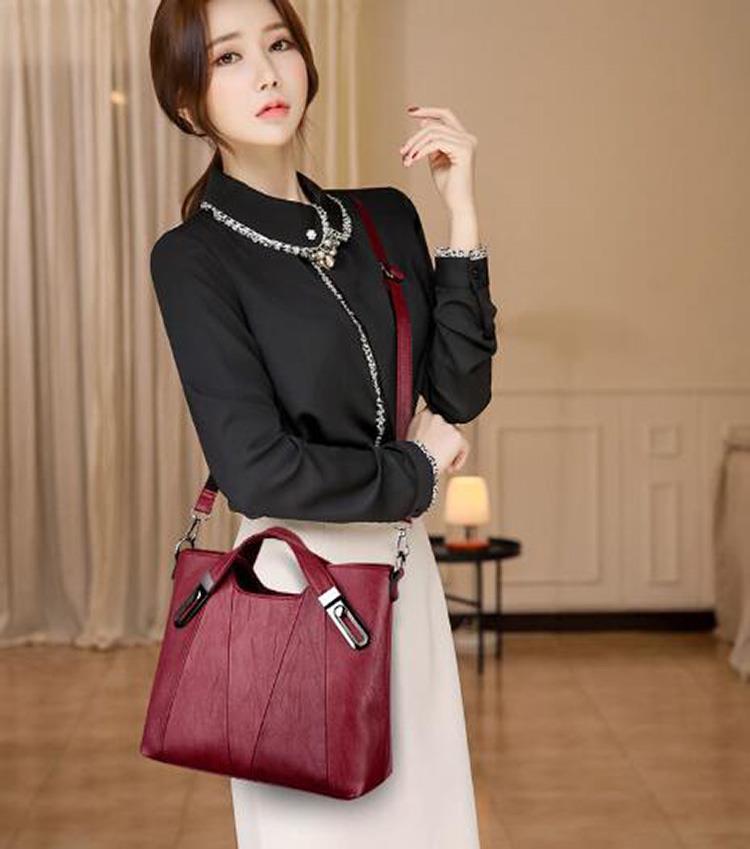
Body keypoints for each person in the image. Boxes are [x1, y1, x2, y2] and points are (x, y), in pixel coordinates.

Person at [148, 0, 498, 846]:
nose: (267, 73)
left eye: (278, 45)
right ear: (189, 103)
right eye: (228, 58)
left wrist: (461, 218)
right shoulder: (193, 258)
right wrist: (416, 472)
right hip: (288, 595)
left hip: (403, 580)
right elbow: (257, 469)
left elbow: (458, 392)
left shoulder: (385, 218)